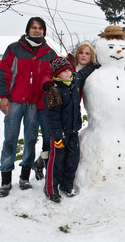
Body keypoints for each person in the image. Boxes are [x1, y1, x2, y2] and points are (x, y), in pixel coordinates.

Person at [0, 17, 57, 198]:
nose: (37, 31)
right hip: (14, 101)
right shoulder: (14, 49)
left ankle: (24, 177)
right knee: (10, 140)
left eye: (40, 28)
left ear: (44, 31)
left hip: (35, 104)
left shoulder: (50, 54)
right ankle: (5, 180)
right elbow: (3, 72)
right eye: (34, 28)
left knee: (30, 140)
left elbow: (59, 73)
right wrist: (3, 96)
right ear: (28, 29)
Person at [32, 42, 96, 181]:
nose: (83, 56)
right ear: (76, 53)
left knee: (62, 145)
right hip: (52, 106)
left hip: (68, 111)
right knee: (52, 140)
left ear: (92, 56)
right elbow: (48, 73)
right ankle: (50, 177)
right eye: (81, 52)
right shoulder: (65, 64)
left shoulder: (91, 71)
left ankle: (43, 164)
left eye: (87, 53)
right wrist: (49, 85)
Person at [43, 57, 98, 203]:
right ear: (56, 74)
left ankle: (67, 185)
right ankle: (51, 189)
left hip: (73, 131)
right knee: (56, 161)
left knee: (72, 159)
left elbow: (84, 73)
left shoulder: (74, 82)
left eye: (69, 70)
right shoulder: (53, 91)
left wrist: (98, 64)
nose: (68, 73)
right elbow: (52, 117)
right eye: (64, 71)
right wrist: (57, 136)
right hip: (59, 134)